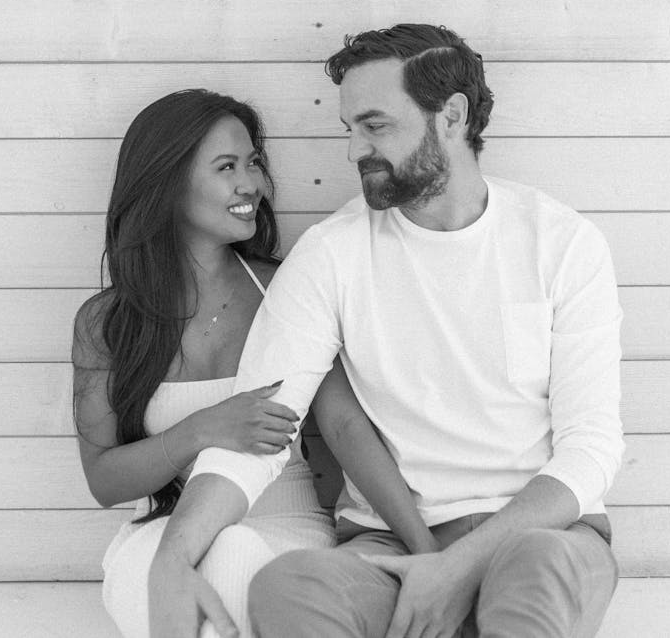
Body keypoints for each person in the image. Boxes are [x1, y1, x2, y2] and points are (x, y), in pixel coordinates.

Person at [149, 27, 625, 638]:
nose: (354, 151)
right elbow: (260, 428)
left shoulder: (561, 242)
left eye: (375, 126)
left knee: (536, 569)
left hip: (543, 531)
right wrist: (173, 557)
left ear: (451, 116)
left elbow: (591, 449)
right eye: (349, 128)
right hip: (387, 545)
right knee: (288, 587)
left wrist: (456, 569)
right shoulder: (331, 253)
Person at [72, 88, 437, 638]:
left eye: (253, 163)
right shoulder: (107, 323)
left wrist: (426, 548)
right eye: (226, 167)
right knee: (175, 565)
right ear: (166, 184)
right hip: (166, 532)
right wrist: (203, 429)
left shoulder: (284, 288)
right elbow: (104, 479)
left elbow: (343, 426)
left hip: (285, 528)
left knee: (236, 550)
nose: (253, 185)